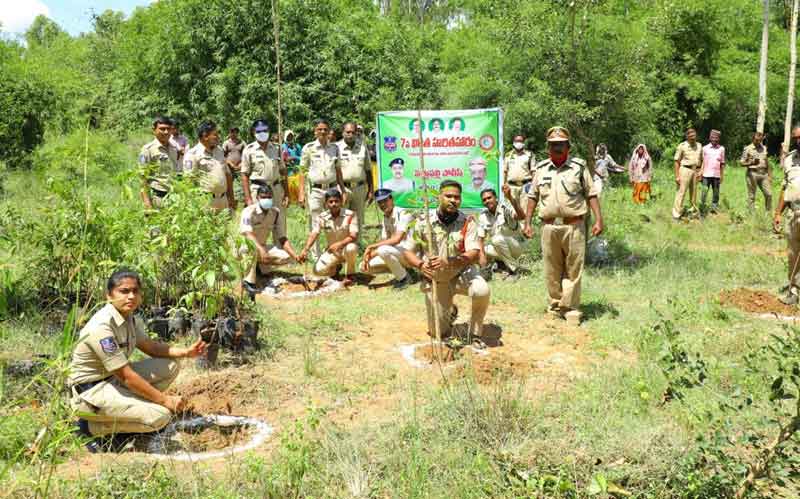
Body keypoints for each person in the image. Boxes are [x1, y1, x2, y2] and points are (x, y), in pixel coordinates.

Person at [69, 269, 207, 451]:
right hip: (91, 393)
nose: (131, 296)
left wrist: (186, 352)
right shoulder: (101, 327)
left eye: (135, 291)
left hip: (111, 380)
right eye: (124, 291)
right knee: (160, 416)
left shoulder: (128, 318)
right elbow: (126, 376)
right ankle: (88, 428)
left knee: (171, 364)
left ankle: (134, 410)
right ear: (109, 295)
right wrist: (164, 401)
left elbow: (151, 347)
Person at [522, 126, 603, 326]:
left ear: (568, 146)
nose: (557, 148)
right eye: (553, 145)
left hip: (574, 226)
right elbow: (533, 196)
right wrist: (527, 222)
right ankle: (556, 305)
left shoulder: (579, 167)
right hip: (549, 227)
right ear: (548, 147)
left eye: (561, 144)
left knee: (574, 268)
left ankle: (572, 308)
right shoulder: (540, 169)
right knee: (552, 269)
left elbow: (591, 193)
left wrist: (599, 219)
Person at [402, 180, 490, 341]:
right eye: (448, 196)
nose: (453, 200)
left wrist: (450, 261)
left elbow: (474, 252)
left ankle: (475, 332)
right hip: (437, 280)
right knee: (438, 333)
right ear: (439, 197)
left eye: (456, 197)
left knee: (481, 290)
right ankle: (450, 311)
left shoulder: (467, 222)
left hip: (462, 274)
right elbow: (407, 251)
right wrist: (421, 265)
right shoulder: (423, 221)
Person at [240, 185, 299, 295]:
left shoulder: (275, 212)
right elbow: (248, 234)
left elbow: (282, 237)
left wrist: (294, 255)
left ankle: (259, 267)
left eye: (269, 197)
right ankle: (249, 283)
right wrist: (261, 250)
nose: (266, 200)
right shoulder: (248, 211)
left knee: (286, 257)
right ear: (257, 197)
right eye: (263, 197)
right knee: (250, 251)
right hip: (246, 247)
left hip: (262, 247)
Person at [301, 119, 347, 259]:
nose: (322, 132)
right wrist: (301, 193)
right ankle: (316, 256)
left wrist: (343, 190)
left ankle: (333, 254)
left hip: (332, 190)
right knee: (315, 223)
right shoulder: (308, 148)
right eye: (319, 129)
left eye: (325, 129)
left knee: (333, 222)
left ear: (329, 132)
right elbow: (302, 171)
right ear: (315, 131)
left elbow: (338, 170)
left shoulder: (335, 148)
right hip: (315, 190)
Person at [298, 189, 358, 286]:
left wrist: (339, 244)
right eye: (330, 202)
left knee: (351, 248)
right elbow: (314, 233)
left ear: (341, 202)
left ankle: (350, 275)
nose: (334, 204)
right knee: (318, 270)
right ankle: (335, 271)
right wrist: (306, 249)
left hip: (346, 249)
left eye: (336, 201)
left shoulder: (350, 215)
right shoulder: (322, 217)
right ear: (326, 204)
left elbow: (353, 236)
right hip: (332, 251)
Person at [362, 188, 415, 289]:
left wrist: (370, 247)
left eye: (385, 201)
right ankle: (404, 271)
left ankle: (404, 279)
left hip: (411, 254)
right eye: (380, 202)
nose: (383, 205)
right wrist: (369, 256)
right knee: (364, 266)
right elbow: (385, 241)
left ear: (392, 200)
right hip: (396, 252)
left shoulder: (403, 213)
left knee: (383, 250)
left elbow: (397, 239)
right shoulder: (385, 217)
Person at [241, 119, 288, 230]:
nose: (262, 133)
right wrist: (248, 198)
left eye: (265, 130)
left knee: (279, 223)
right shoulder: (249, 150)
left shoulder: (277, 148)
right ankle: (257, 247)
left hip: (275, 189)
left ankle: (280, 247)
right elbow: (244, 175)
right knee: (256, 223)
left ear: (269, 131)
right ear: (254, 132)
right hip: (258, 190)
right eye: (259, 131)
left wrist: (286, 193)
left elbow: (283, 171)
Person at [183, 121, 235, 211]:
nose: (218, 137)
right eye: (215, 134)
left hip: (223, 200)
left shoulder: (219, 150)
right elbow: (189, 182)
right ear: (205, 136)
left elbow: (227, 175)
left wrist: (231, 197)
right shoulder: (192, 154)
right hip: (205, 201)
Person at [774, 126, 800, 305]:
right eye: (796, 137)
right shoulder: (790, 159)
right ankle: (793, 291)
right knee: (793, 254)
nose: (799, 140)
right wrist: (777, 213)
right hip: (793, 213)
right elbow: (784, 187)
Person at [478, 185, 526, 281]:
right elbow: (480, 239)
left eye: (489, 198)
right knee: (479, 250)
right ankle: (500, 266)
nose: (487, 201)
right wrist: (482, 261)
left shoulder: (505, 207)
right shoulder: (483, 216)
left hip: (517, 244)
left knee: (496, 240)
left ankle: (514, 270)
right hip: (502, 246)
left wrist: (510, 198)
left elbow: (521, 216)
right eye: (484, 200)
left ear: (495, 198)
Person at [338, 122, 374, 243]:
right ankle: (342, 247)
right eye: (348, 132)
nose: (351, 135)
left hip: (359, 188)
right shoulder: (336, 148)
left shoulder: (362, 148)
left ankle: (357, 246)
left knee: (358, 218)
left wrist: (371, 190)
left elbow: (368, 170)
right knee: (342, 218)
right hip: (343, 189)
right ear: (343, 133)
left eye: (353, 132)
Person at [138, 116, 179, 210]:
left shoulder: (173, 148)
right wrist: (147, 204)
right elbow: (143, 178)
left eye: (168, 129)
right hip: (156, 198)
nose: (166, 132)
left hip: (173, 197)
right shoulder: (147, 150)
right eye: (162, 129)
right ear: (154, 130)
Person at [672, 128, 703, 220]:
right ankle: (676, 214)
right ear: (687, 136)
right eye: (691, 136)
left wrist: (701, 171)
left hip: (695, 171)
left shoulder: (699, 145)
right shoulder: (682, 146)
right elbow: (676, 161)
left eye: (694, 135)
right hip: (685, 170)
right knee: (681, 192)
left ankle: (692, 212)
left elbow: (702, 159)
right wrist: (677, 176)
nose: (693, 137)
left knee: (694, 193)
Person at [741, 131, 772, 211]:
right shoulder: (747, 149)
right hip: (752, 174)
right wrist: (751, 162)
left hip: (763, 174)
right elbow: (741, 163)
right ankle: (751, 213)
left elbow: (766, 161)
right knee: (752, 195)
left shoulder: (764, 148)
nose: (758, 142)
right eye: (756, 140)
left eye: (760, 140)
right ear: (753, 139)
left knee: (769, 194)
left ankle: (768, 212)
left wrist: (770, 175)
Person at [503, 134, 534, 212]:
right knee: (511, 210)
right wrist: (504, 184)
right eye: (517, 141)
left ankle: (524, 224)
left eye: (520, 141)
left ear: (523, 143)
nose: (518, 143)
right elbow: (505, 171)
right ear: (513, 142)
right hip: (511, 187)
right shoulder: (508, 155)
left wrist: (534, 186)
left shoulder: (529, 155)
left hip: (526, 186)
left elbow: (534, 171)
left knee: (524, 211)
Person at [700, 129, 725, 213]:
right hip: (706, 174)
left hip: (716, 175)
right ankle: (702, 206)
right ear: (710, 138)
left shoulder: (721, 149)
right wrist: (700, 173)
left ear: (719, 139)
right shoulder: (705, 148)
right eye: (713, 137)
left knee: (716, 193)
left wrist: (722, 175)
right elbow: (702, 162)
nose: (714, 139)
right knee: (704, 192)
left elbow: (722, 163)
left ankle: (714, 208)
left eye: (716, 137)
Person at [222, 127, 245, 202]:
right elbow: (223, 156)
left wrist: (241, 164)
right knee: (228, 185)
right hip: (229, 168)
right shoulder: (226, 143)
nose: (233, 134)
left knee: (240, 186)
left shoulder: (242, 143)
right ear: (230, 133)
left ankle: (239, 200)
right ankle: (229, 200)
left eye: (235, 132)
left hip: (240, 168)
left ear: (237, 133)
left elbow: (246, 155)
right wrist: (230, 163)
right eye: (232, 132)